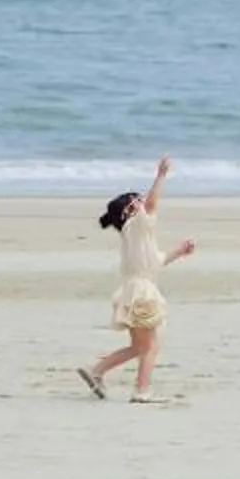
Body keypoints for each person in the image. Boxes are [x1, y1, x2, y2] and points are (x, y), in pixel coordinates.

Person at [77, 156, 196, 403]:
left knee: (139, 347)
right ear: (131, 210)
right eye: (138, 201)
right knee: (150, 347)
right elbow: (152, 205)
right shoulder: (137, 226)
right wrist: (160, 176)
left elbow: (156, 262)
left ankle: (96, 371)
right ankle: (141, 391)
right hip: (142, 294)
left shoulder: (135, 238)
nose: (143, 202)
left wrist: (180, 251)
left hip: (132, 293)